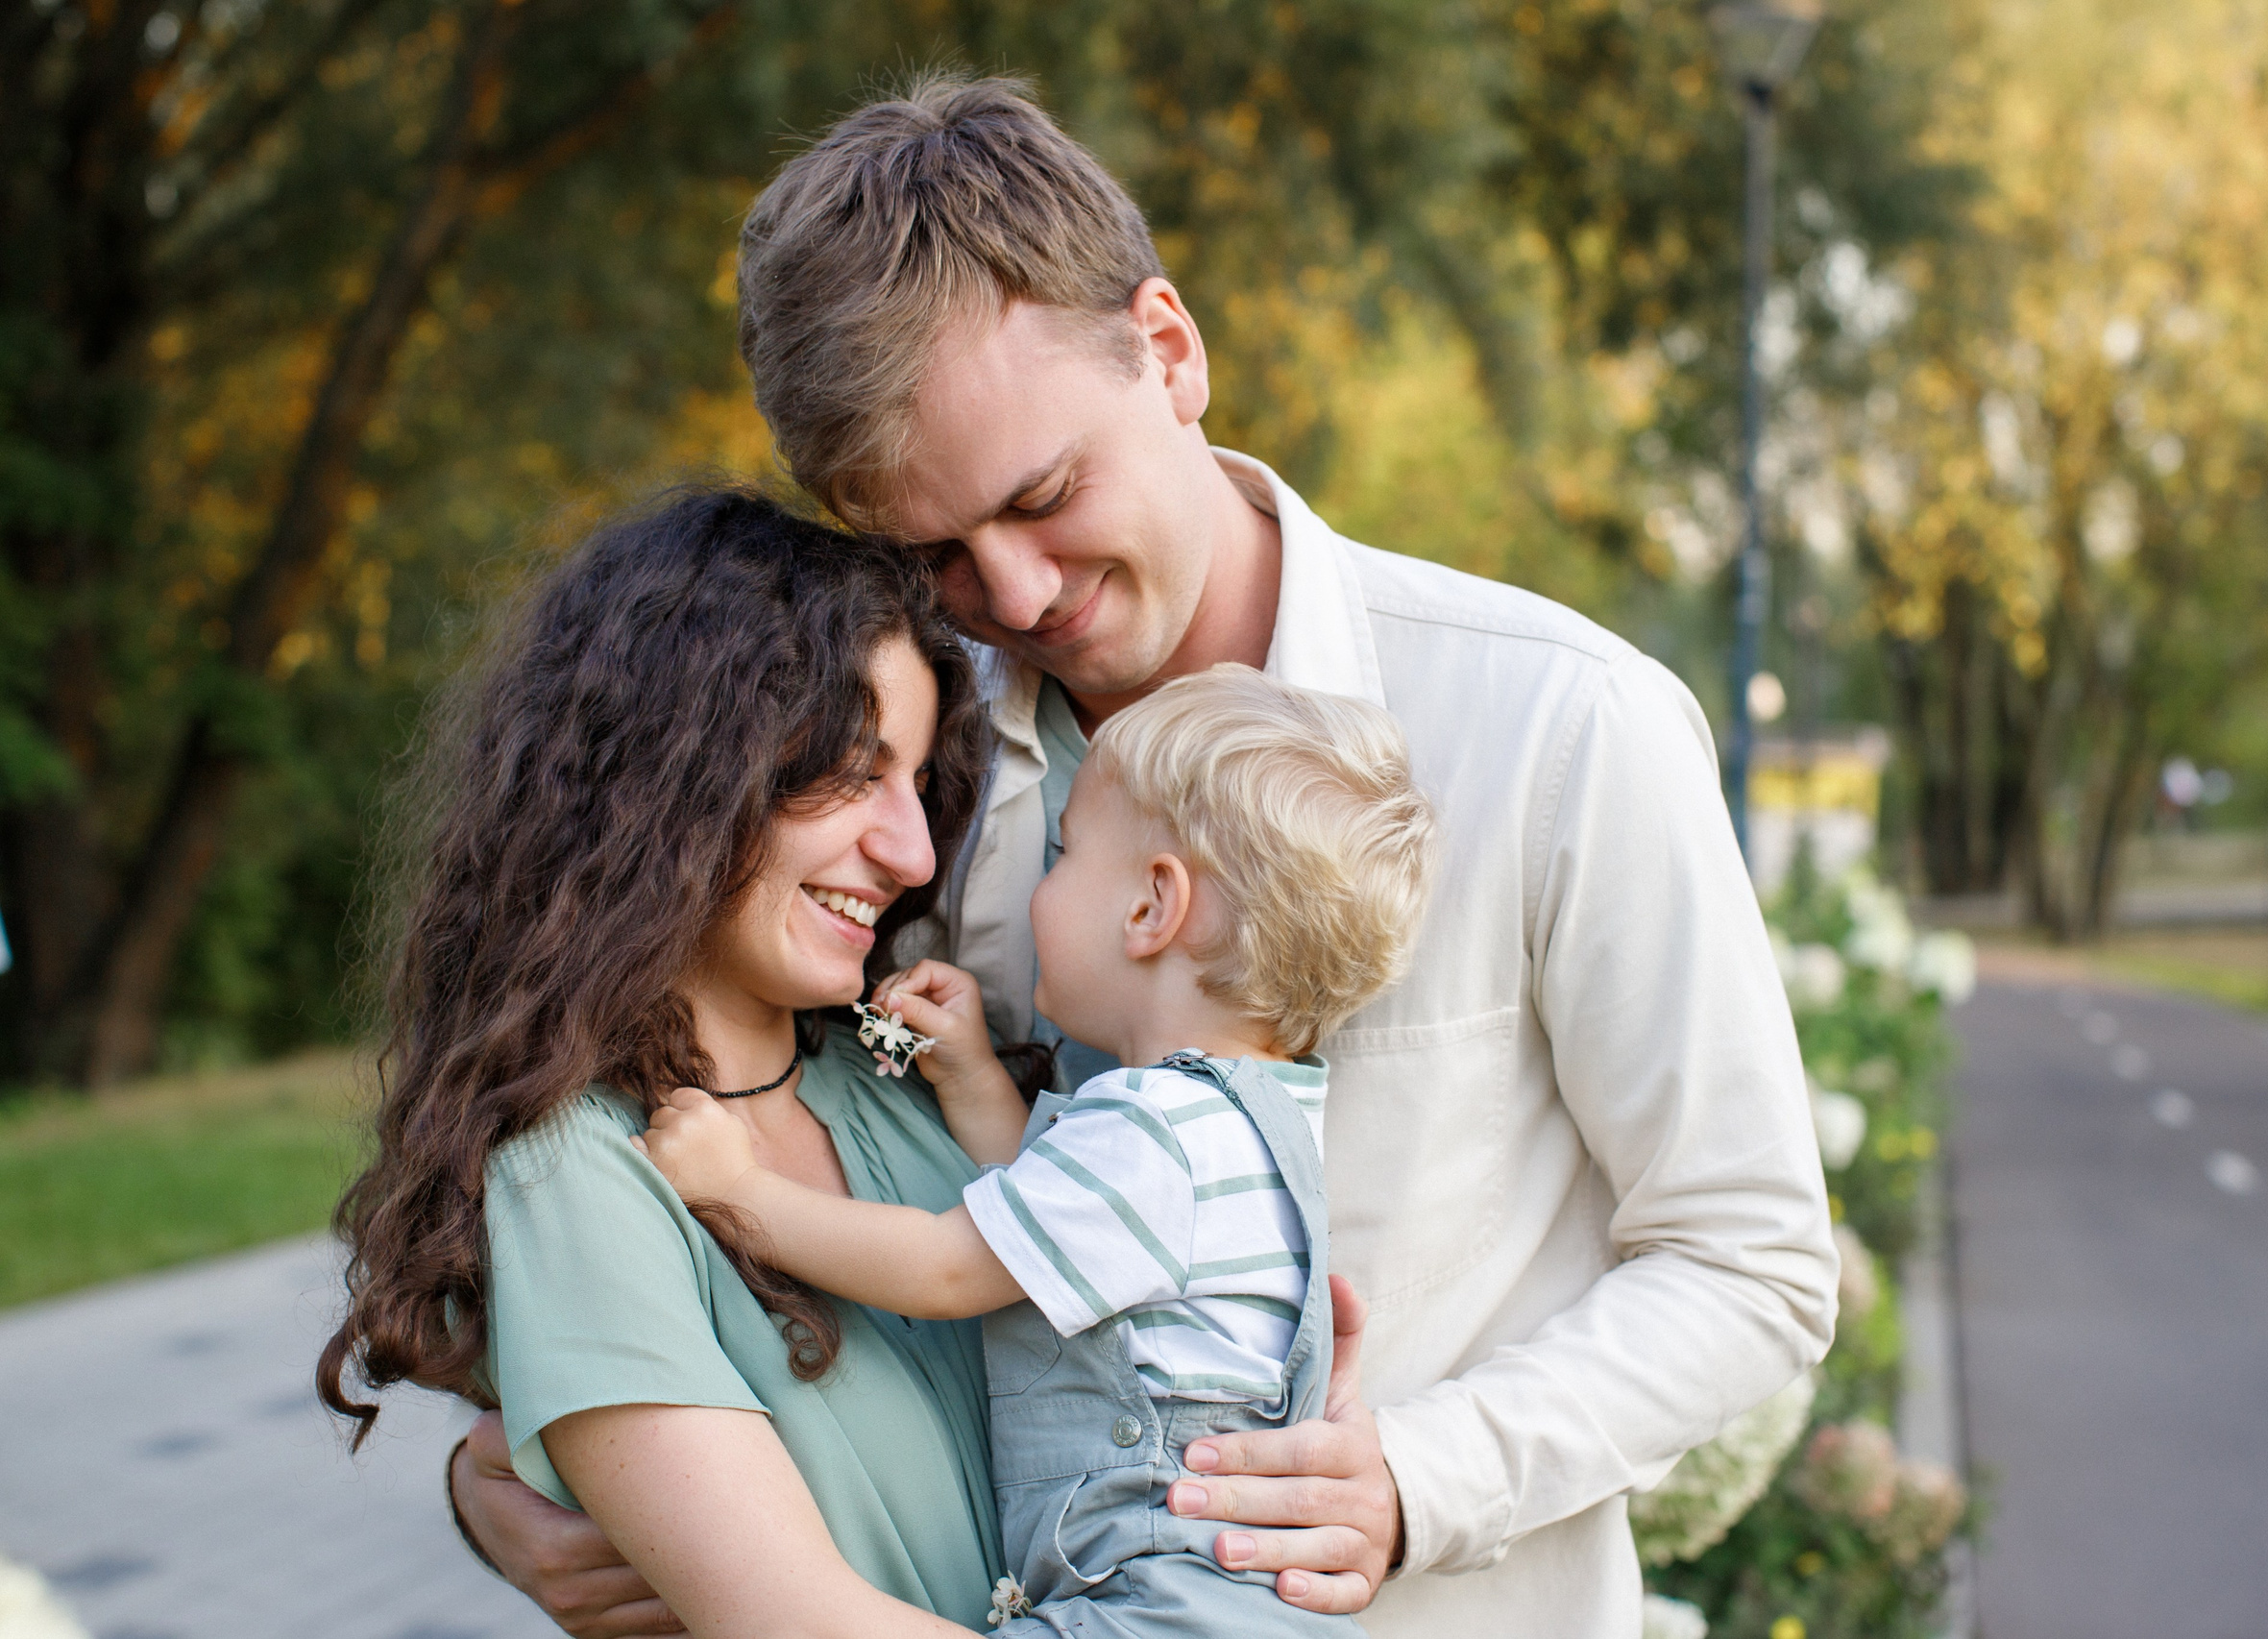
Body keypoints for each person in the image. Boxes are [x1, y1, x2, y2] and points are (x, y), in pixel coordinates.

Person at [458, 74, 1839, 1638]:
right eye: (933, 553)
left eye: (1045, 496)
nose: (1017, 591)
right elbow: (699, 1117)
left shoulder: (1561, 729)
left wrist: (1422, 1476)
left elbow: (1752, 1261)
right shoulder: (907, 790)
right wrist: (523, 1480)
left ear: (1169, 351)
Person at [320, 489, 1027, 1633]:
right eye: (851, 771)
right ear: (676, 779)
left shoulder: (918, 1076)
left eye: (918, 785)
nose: (910, 850)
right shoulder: (577, 1172)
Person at [641, 666, 1434, 1637]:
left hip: (1159, 1603)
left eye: (1064, 853)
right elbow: (1058, 1225)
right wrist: (973, 1075)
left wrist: (739, 1187)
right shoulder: (1248, 1119)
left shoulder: (1155, 1133)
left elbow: (947, 1266)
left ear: (1151, 907)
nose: (1041, 883)